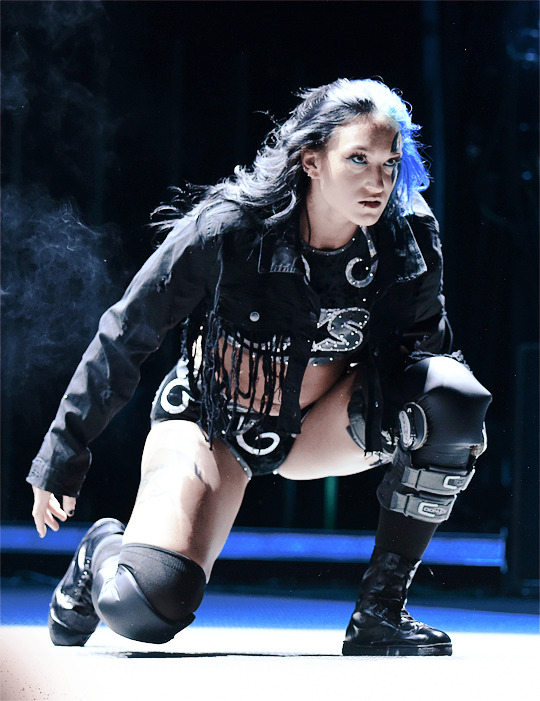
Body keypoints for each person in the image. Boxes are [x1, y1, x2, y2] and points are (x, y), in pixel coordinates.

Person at [28, 78, 492, 656]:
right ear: (311, 160)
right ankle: (102, 551)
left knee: (451, 396)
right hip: (212, 424)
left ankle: (381, 612)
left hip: (317, 427)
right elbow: (128, 334)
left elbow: (425, 354)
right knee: (146, 607)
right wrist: (63, 454)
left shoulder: (406, 237)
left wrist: (448, 435)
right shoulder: (230, 227)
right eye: (358, 159)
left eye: (390, 164)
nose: (379, 182)